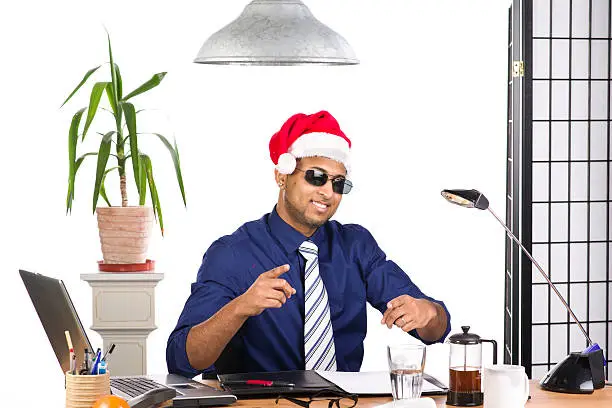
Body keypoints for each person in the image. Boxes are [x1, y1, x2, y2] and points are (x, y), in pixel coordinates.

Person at [167, 111, 450, 378]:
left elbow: (436, 329)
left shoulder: (356, 246)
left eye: (339, 184)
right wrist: (241, 307)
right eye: (316, 177)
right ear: (282, 175)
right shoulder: (232, 253)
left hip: (343, 404)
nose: (327, 192)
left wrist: (427, 313)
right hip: (261, 405)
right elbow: (181, 360)